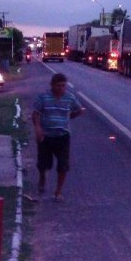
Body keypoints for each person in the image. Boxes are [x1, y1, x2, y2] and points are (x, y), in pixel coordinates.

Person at [32, 73, 85, 201]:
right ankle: (42, 177)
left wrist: (70, 116)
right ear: (52, 85)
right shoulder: (43, 97)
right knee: (43, 163)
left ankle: (58, 191)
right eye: (58, 86)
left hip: (62, 136)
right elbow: (36, 113)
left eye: (63, 86)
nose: (61, 88)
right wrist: (38, 128)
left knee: (63, 165)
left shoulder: (69, 97)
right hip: (46, 136)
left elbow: (80, 109)